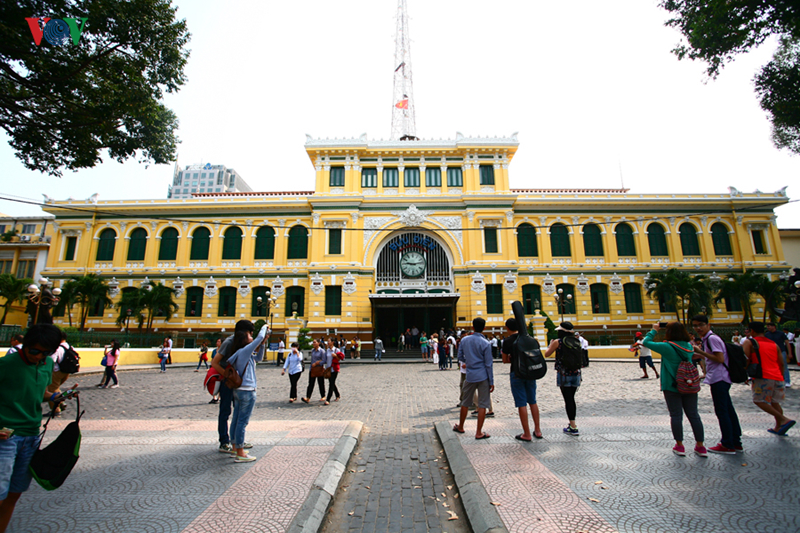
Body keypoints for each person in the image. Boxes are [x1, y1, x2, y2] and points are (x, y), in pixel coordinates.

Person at [1, 324, 77, 532]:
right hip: (6, 437)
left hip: (31, 436)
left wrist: (56, 397)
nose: (38, 357)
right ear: (25, 345)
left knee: (13, 494)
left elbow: (39, 391)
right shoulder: (6, 364)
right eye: (34, 351)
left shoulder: (47, 364)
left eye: (46, 353)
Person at [642, 322, 707, 457]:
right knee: (694, 415)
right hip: (689, 384)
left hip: (672, 386)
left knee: (676, 415)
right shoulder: (688, 346)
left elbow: (646, 342)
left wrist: (654, 330)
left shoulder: (667, 347)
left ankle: (680, 445)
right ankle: (700, 446)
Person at [691, 315, 742, 454]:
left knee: (722, 411)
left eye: (700, 325)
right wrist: (702, 355)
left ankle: (727, 443)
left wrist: (701, 352)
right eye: (695, 326)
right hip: (720, 378)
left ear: (708, 324)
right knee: (728, 409)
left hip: (719, 378)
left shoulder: (712, 338)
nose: (698, 328)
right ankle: (736, 441)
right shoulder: (708, 339)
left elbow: (719, 358)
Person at [211, 320, 257, 454]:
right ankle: (224, 441)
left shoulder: (242, 342)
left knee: (238, 412)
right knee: (225, 411)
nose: (251, 335)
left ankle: (237, 441)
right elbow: (214, 362)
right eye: (249, 332)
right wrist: (227, 375)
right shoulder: (229, 342)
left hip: (239, 383)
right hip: (229, 382)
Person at [743, 321, 795, 436]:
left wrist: (744, 374)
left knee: (759, 400)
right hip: (777, 376)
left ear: (752, 331)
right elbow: (781, 363)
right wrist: (780, 376)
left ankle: (784, 419)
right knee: (775, 402)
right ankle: (778, 427)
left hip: (763, 376)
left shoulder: (750, 342)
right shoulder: (773, 344)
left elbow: (745, 359)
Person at [226, 322, 266, 462]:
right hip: (247, 391)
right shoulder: (244, 352)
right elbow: (259, 337)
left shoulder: (241, 353)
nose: (252, 336)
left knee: (236, 420)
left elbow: (259, 358)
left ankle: (235, 448)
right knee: (242, 422)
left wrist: (263, 344)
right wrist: (265, 327)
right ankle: (241, 453)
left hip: (239, 391)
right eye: (250, 335)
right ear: (244, 339)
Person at [453, 318, 494, 439]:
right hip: (483, 375)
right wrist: (491, 381)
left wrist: (469, 362)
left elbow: (460, 356)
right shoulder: (486, 343)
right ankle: (479, 432)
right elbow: (489, 364)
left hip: (470, 375)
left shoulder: (464, 340)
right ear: (484, 328)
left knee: (465, 402)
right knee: (482, 404)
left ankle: (460, 426)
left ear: (473, 327)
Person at [502, 318, 542, 441]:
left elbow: (504, 360)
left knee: (521, 403)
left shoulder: (507, 341)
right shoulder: (529, 339)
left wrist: (511, 357)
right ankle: (538, 430)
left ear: (507, 328)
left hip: (517, 373)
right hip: (530, 373)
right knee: (533, 401)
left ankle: (527, 433)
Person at [544, 322, 583, 436]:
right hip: (576, 373)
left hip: (564, 373)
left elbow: (547, 354)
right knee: (572, 398)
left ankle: (573, 426)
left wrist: (550, 345)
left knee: (568, 400)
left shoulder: (558, 342)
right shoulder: (577, 341)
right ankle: (572, 424)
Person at [45, 331, 74, 416]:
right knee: (56, 387)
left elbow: (52, 361)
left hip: (57, 371)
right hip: (66, 371)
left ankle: (55, 410)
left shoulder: (57, 348)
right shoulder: (70, 346)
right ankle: (61, 403)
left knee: (51, 389)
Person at [765, 323, 792, 387]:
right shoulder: (767, 334)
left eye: (769, 326)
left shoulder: (781, 333)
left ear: (773, 326)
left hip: (781, 351)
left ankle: (787, 381)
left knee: (784, 366)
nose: (768, 328)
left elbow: (787, 343)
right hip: (771, 352)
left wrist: (789, 353)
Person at [302, 339, 327, 403]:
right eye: (313, 342)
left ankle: (323, 396)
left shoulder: (322, 351)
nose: (313, 344)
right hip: (312, 369)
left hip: (319, 369)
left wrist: (317, 363)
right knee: (310, 383)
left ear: (318, 343)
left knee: (321, 383)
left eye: (314, 342)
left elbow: (324, 360)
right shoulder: (312, 350)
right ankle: (308, 397)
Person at [324, 338, 344, 405]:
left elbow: (340, 359)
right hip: (328, 369)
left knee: (331, 384)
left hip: (334, 369)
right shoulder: (327, 350)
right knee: (332, 382)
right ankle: (337, 394)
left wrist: (335, 356)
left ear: (332, 342)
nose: (328, 342)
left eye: (329, 341)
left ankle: (328, 399)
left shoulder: (336, 350)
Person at [208, 339, 222, 404]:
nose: (217, 343)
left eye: (219, 341)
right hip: (214, 369)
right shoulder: (214, 351)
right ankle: (214, 397)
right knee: (214, 382)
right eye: (217, 341)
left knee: (220, 383)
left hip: (220, 369)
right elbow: (212, 359)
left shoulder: (223, 350)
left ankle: (219, 397)